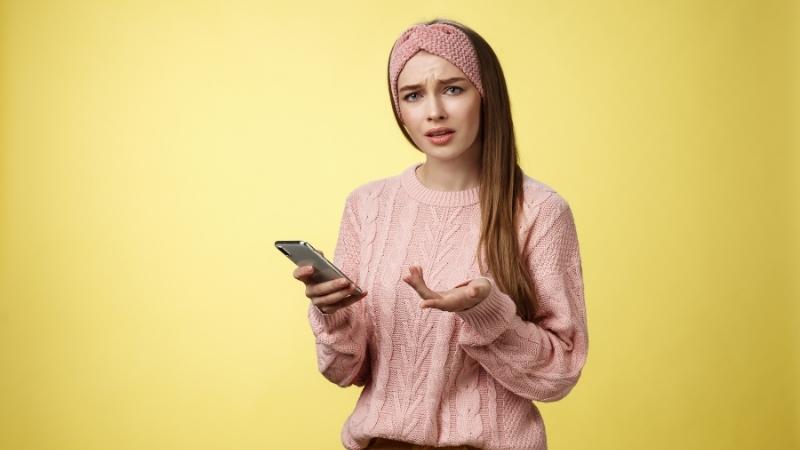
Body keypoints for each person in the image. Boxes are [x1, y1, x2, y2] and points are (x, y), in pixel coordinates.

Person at [292, 18, 588, 450]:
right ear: (400, 110)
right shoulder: (367, 206)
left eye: (453, 88)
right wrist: (333, 315)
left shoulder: (540, 211)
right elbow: (342, 372)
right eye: (413, 95)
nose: (434, 112)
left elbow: (559, 374)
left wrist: (486, 312)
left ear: (486, 95)